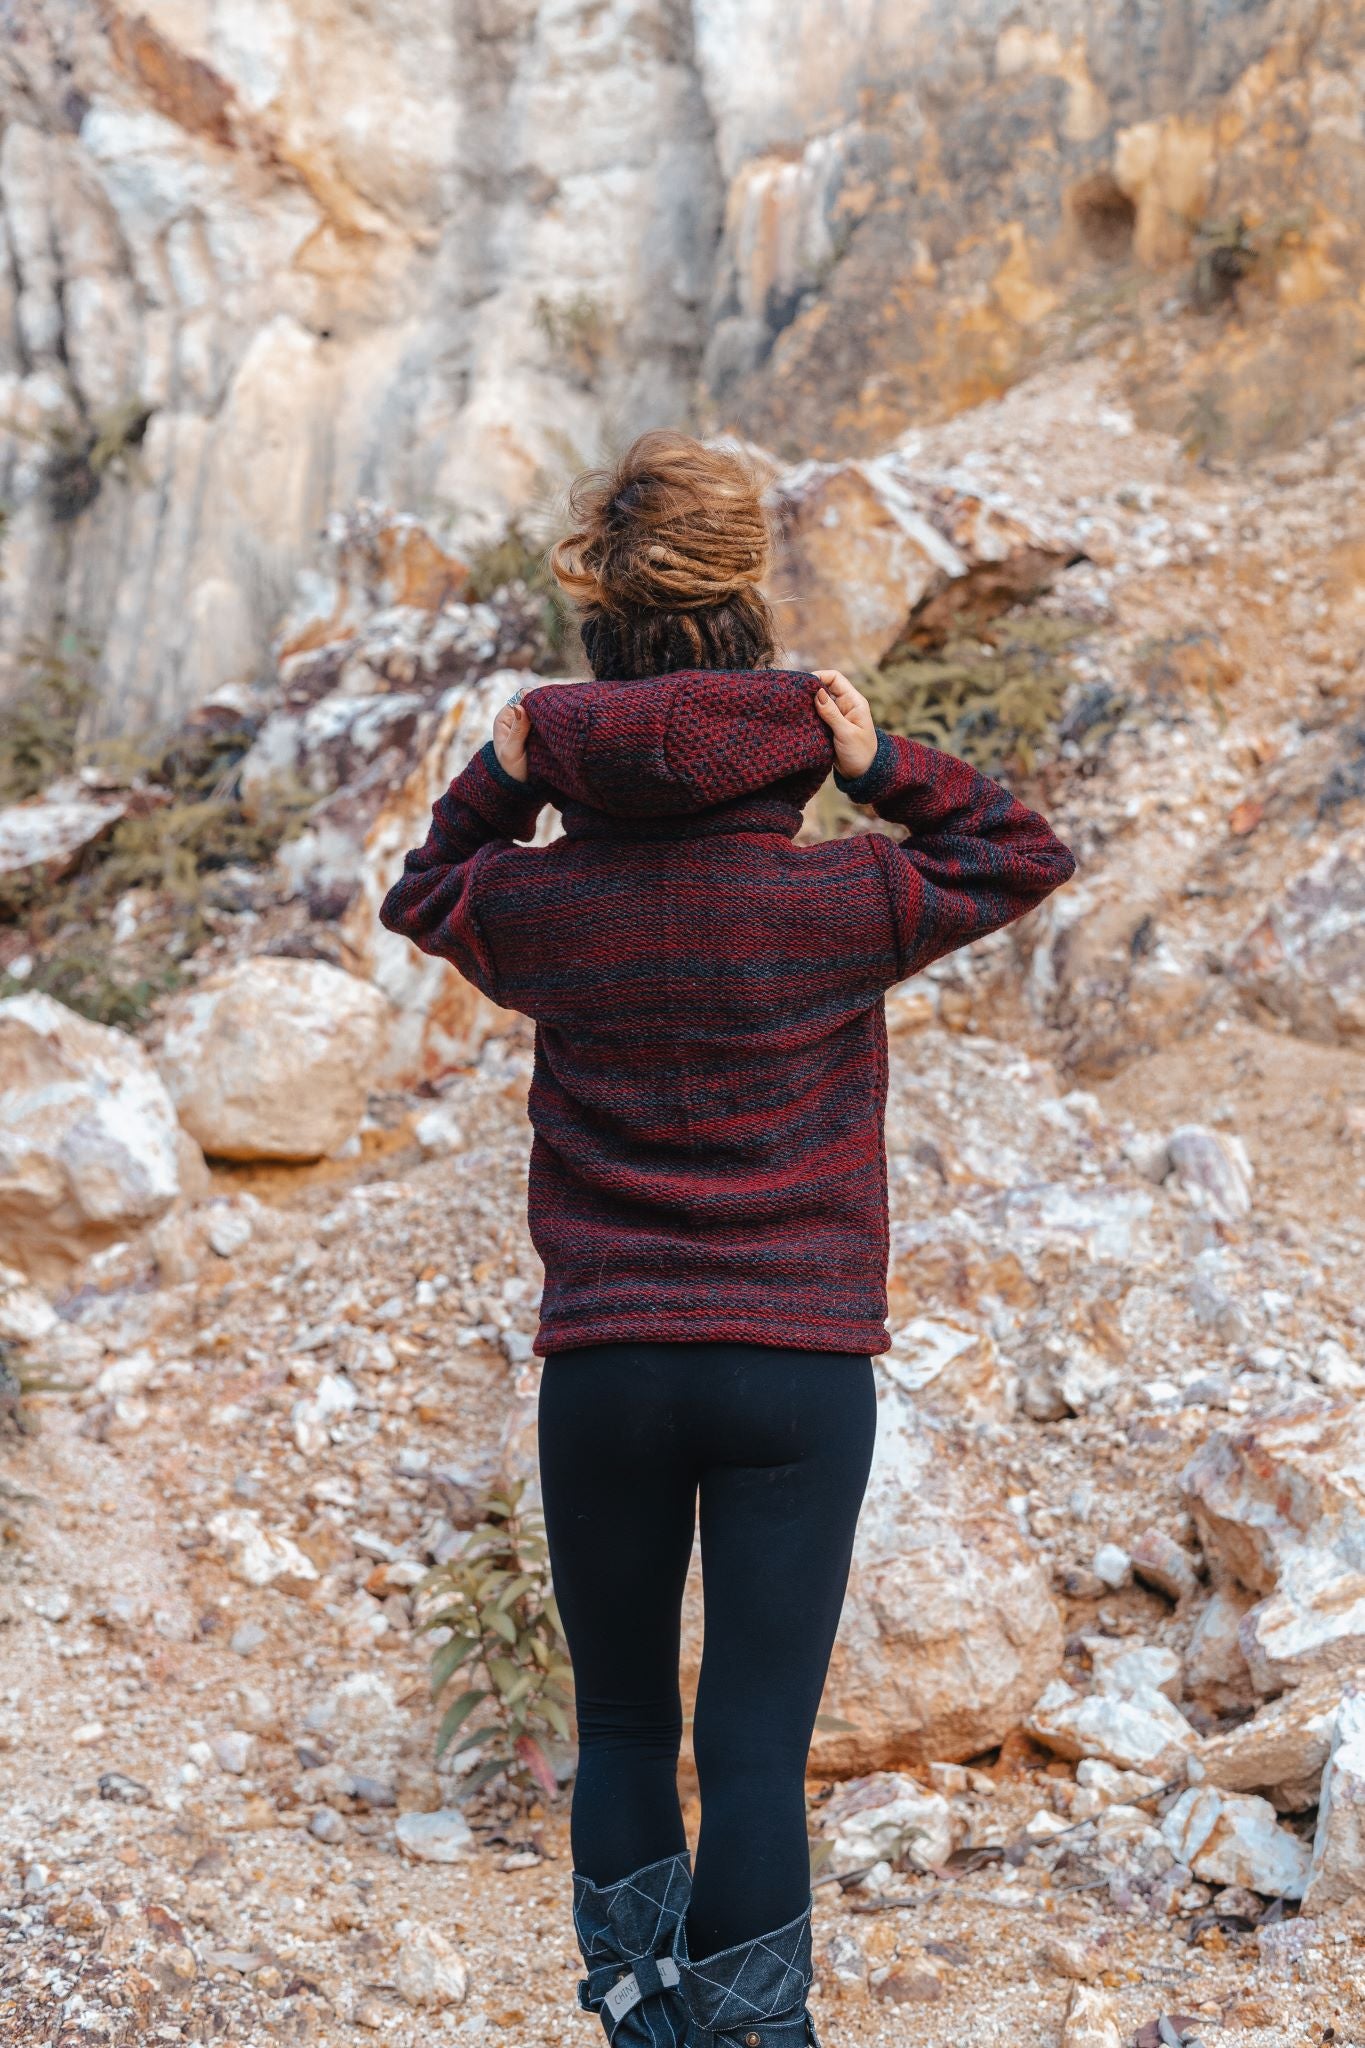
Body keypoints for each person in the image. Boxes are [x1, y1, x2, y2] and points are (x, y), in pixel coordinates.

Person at [378, 431, 1076, 2047]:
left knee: (623, 1725)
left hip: (609, 1362)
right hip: (794, 1363)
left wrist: (511, 770)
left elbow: (425, 890)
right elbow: (1019, 852)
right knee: (753, 1748)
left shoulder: (539, 909)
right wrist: (883, 759)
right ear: (745, 617)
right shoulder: (846, 900)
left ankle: (638, 2022)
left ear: (601, 632)